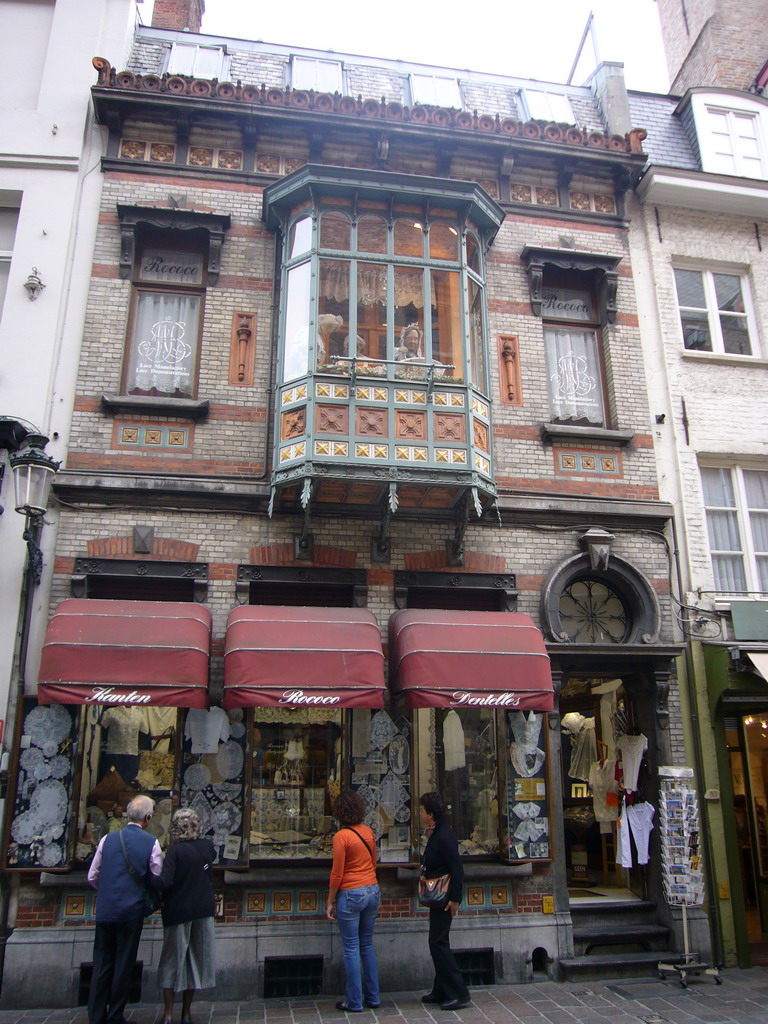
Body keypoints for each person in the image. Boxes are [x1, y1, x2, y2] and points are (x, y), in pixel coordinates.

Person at [87, 794, 163, 1024]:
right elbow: (157, 876)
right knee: (123, 963)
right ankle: (115, 1015)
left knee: (102, 963)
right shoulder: (152, 843)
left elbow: (93, 876)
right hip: (131, 911)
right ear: (148, 818)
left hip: (106, 909)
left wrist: (110, 890)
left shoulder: (107, 840)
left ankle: (96, 1014)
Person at [153, 809, 216, 1024]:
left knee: (172, 959)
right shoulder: (207, 847)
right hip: (202, 909)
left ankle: (168, 1013)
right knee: (195, 960)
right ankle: (186, 1013)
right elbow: (209, 868)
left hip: (178, 910)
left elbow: (165, 882)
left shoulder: (175, 852)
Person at [325, 790, 380, 1012]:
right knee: (366, 945)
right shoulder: (368, 832)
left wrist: (330, 901)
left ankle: (354, 1001)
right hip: (372, 889)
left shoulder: (341, 837)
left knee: (351, 948)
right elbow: (374, 861)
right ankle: (374, 997)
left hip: (351, 892)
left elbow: (337, 873)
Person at [419, 792, 471, 1011]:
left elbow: (457, 868)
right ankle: (441, 989)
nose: (419, 813)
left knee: (438, 943)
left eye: (422, 810)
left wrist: (456, 899)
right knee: (438, 942)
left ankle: (458, 992)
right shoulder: (436, 833)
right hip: (437, 897)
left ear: (431, 814)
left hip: (445, 897)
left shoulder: (444, 836)